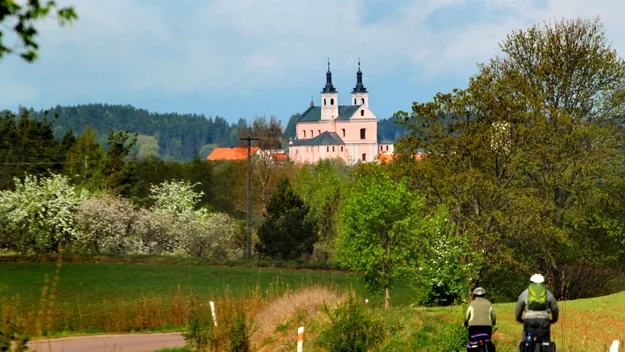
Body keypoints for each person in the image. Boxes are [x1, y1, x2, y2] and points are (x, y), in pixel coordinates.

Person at [515, 274, 559, 343]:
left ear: (531, 282)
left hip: (529, 321)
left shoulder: (525, 293)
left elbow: (519, 308)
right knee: (545, 340)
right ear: (542, 283)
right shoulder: (548, 293)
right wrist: (554, 319)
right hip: (544, 321)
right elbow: (554, 307)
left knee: (527, 341)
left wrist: (519, 319)